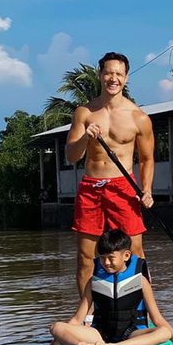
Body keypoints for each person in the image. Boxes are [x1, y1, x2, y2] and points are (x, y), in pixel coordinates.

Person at [38, 229, 173, 345]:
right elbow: (77, 319)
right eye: (102, 258)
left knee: (164, 332)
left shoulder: (141, 281)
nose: (106, 263)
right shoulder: (94, 281)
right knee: (56, 327)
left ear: (126, 255)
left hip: (132, 333)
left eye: (111, 257)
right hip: (100, 335)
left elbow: (157, 319)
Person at [66, 52, 155, 297]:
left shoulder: (139, 117)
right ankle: (88, 314)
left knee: (135, 252)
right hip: (91, 187)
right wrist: (86, 137)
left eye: (118, 74)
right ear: (100, 75)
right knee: (86, 256)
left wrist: (146, 190)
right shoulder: (84, 113)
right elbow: (72, 156)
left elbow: (147, 159)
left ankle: (143, 313)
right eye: (108, 73)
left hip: (123, 188)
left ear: (126, 78)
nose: (112, 79)